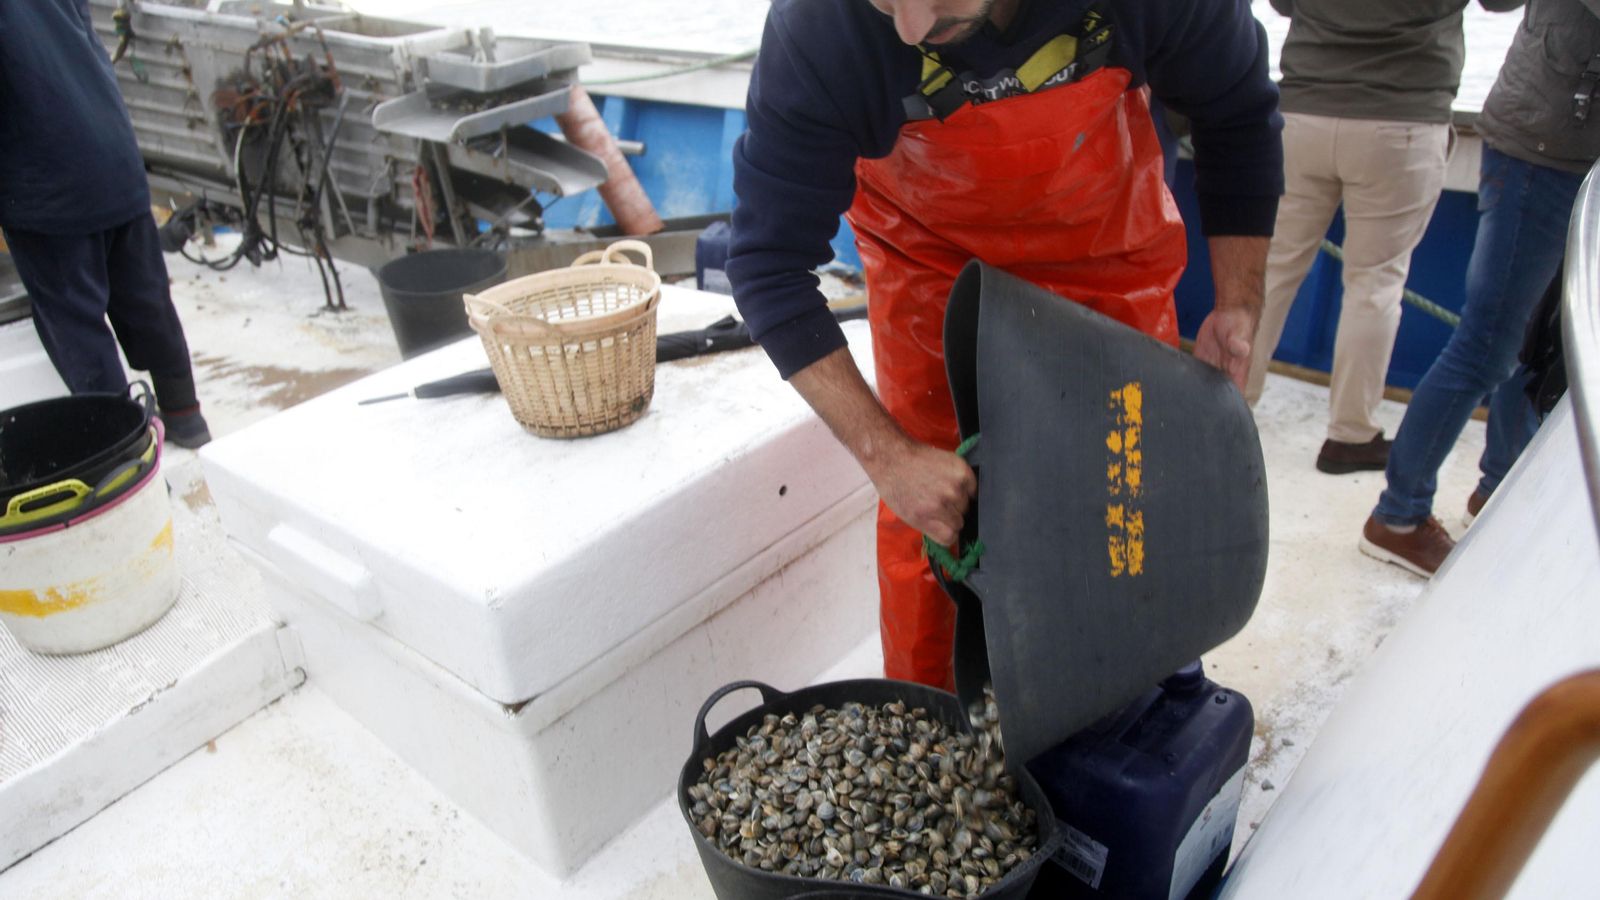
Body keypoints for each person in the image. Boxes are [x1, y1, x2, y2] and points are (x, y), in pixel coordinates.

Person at [727, 0, 1283, 688]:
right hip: (927, 274)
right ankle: (939, 724)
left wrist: (1237, 304)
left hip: (1109, 263)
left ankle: (1131, 693)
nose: (909, 26)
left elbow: (1239, 115)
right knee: (933, 520)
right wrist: (890, 457)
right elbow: (766, 266)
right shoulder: (820, 28)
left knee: (1124, 497)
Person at [1359, 0, 1600, 577]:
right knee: (1486, 347)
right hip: (1541, 154)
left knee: (1544, 344)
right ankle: (1398, 516)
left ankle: (1499, 488)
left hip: (1570, 152)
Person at [1245, 0, 1524, 475]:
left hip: (1304, 113)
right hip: (1401, 120)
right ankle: (1349, 435)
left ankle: (1231, 400)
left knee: (1270, 271)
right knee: (1375, 284)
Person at [0, 0, 211, 448]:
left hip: (47, 188)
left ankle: (125, 452)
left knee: (76, 323)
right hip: (113, 153)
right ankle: (186, 415)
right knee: (147, 300)